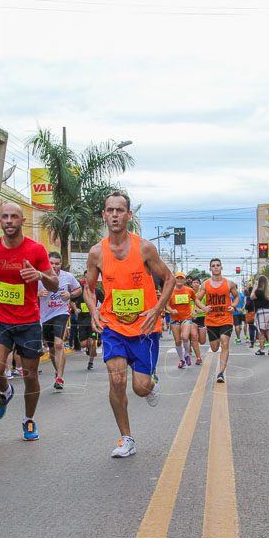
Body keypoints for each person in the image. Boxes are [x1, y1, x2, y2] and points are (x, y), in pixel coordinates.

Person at [84, 191, 174, 458]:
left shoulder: (144, 248)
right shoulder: (96, 252)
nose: (114, 215)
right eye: (109, 210)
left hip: (144, 328)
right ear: (104, 215)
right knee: (117, 378)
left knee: (140, 388)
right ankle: (126, 438)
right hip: (113, 326)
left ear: (128, 215)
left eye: (119, 210)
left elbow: (168, 279)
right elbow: (88, 288)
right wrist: (92, 311)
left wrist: (157, 310)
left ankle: (151, 383)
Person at [0, 202, 58, 441]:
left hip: (29, 321)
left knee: (31, 375)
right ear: (0, 221)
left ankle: (29, 420)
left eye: (13, 217)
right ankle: (6, 391)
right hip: (0, 319)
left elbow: (54, 283)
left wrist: (39, 275)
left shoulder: (36, 250)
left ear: (22, 221)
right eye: (5, 217)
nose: (9, 221)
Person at [39, 251, 81, 389]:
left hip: (62, 313)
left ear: (60, 264)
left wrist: (70, 294)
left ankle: (60, 378)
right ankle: (57, 371)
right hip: (45, 316)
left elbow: (78, 289)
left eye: (57, 263)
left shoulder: (67, 276)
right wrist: (38, 293)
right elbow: (28, 293)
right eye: (51, 263)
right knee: (52, 349)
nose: (54, 266)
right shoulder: (40, 277)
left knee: (58, 344)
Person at [196, 258, 238, 382]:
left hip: (226, 319)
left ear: (221, 267)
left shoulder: (229, 283)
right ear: (210, 269)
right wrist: (204, 308)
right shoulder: (205, 284)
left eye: (218, 265)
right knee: (214, 348)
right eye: (213, 266)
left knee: (225, 342)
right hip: (211, 321)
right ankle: (218, 338)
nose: (215, 267)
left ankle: (221, 373)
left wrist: (234, 306)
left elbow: (236, 297)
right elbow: (197, 299)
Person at [168, 272, 199, 368]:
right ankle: (181, 359)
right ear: (175, 280)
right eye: (178, 278)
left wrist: (194, 310)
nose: (180, 280)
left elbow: (196, 300)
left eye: (182, 278)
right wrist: (171, 311)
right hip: (174, 319)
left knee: (185, 337)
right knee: (177, 341)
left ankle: (187, 354)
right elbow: (167, 305)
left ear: (185, 280)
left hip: (186, 318)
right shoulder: (170, 291)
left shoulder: (189, 290)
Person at [72, 279, 103, 371]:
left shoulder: (97, 291)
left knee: (92, 341)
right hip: (82, 321)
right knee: (83, 344)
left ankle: (91, 362)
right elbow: (71, 301)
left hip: (92, 320)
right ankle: (89, 349)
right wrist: (75, 309)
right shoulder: (79, 291)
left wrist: (97, 309)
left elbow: (106, 302)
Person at [251, 275, 269, 355]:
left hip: (261, 311)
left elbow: (251, 297)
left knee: (261, 331)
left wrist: (254, 288)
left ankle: (262, 349)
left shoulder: (258, 291)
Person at [189, 276, 207, 363]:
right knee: (194, 337)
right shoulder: (188, 293)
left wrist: (201, 310)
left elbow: (208, 307)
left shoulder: (203, 294)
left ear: (200, 284)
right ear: (191, 284)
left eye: (197, 282)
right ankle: (198, 357)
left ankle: (193, 343)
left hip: (203, 318)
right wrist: (191, 313)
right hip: (192, 319)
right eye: (194, 282)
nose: (196, 284)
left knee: (202, 341)